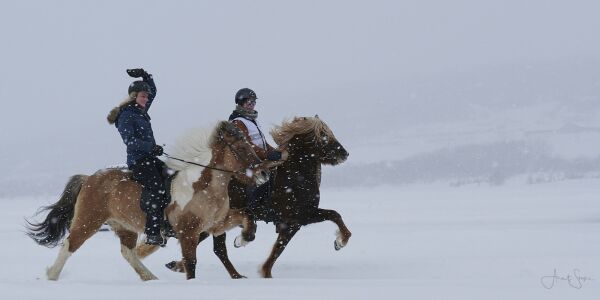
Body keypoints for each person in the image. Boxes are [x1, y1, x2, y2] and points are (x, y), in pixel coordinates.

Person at [107, 68, 171, 246]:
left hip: (150, 158)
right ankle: (152, 231)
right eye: (143, 96)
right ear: (134, 96)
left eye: (146, 96)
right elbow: (130, 141)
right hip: (138, 161)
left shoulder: (140, 109)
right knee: (156, 186)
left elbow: (154, 92)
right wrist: (150, 147)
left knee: (171, 177)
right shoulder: (126, 116)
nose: (146, 99)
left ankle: (168, 222)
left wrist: (146, 76)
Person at [228, 88, 283, 223]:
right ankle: (252, 209)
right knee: (263, 178)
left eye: (253, 101)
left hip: (259, 157)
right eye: (248, 102)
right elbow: (248, 145)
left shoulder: (253, 120)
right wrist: (267, 155)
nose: (252, 104)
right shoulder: (238, 121)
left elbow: (262, 142)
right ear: (241, 103)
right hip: (247, 160)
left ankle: (275, 206)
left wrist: (274, 151)